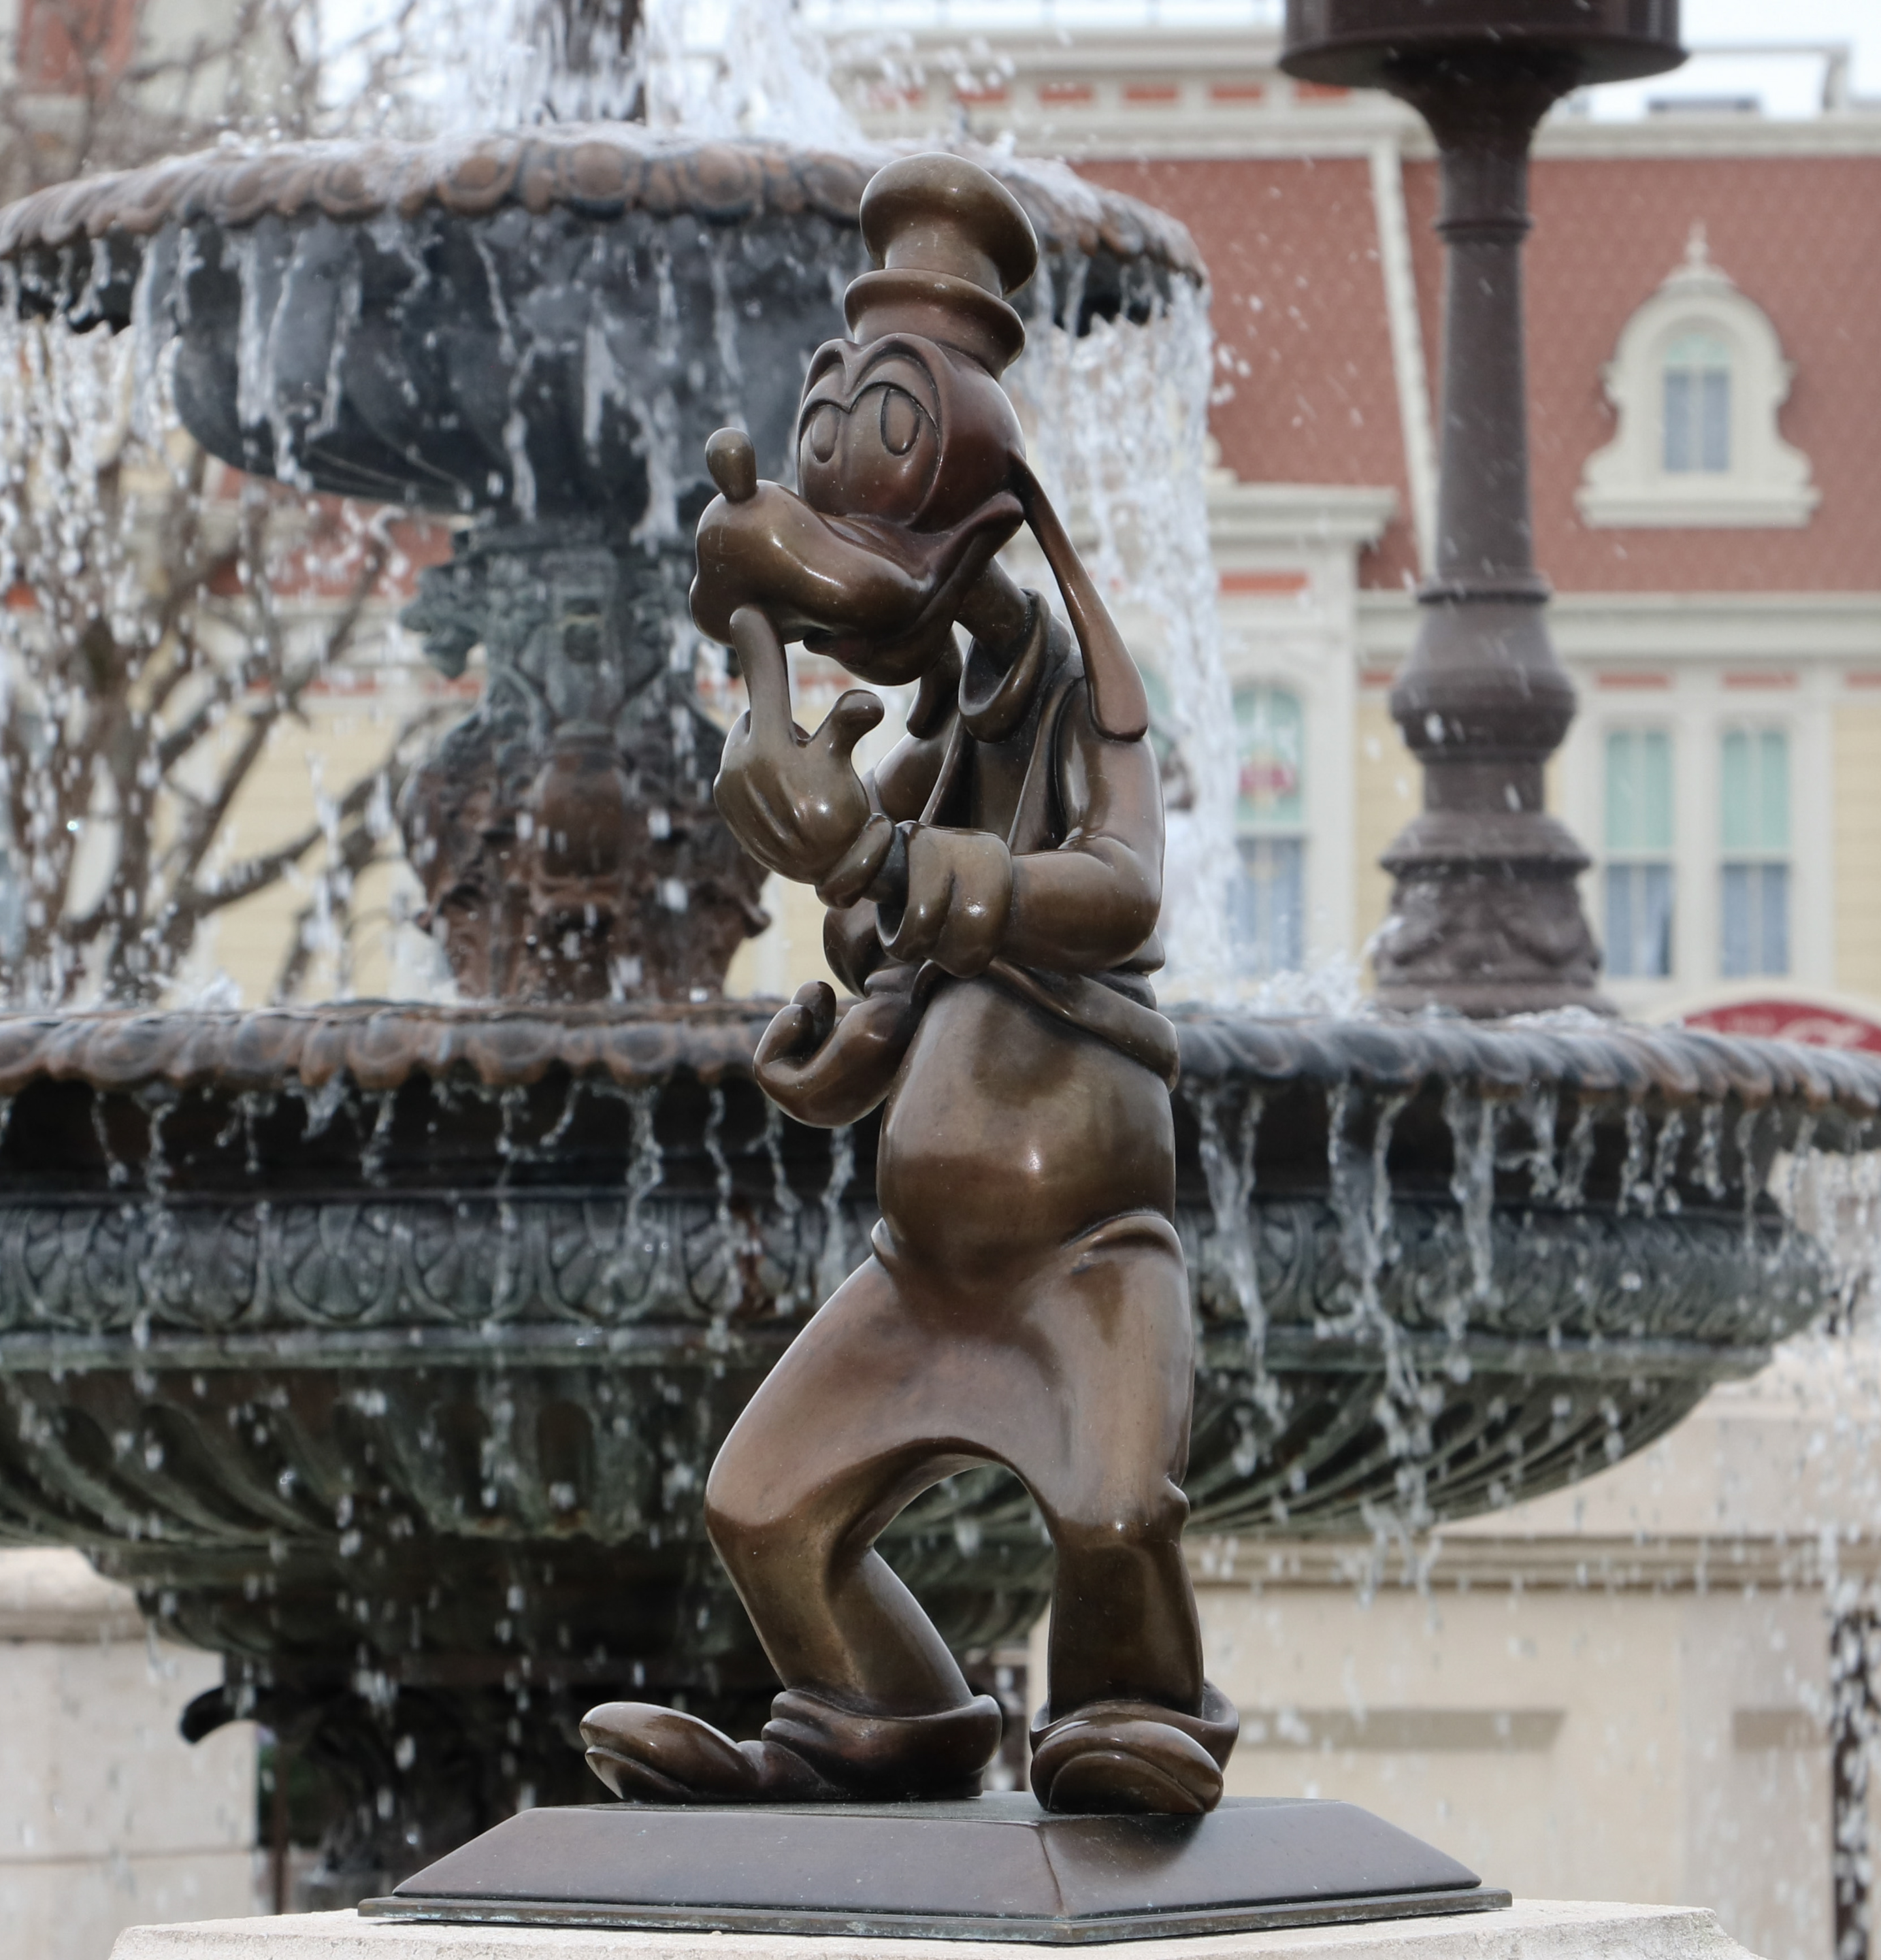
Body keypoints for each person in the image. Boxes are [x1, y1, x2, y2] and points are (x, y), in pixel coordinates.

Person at [580, 154, 1236, 1817]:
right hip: (919, 1270)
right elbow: (910, 966)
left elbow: (1121, 889)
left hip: (1087, 1258)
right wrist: (843, 1047)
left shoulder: (1081, 694)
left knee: (1113, 1513)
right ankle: (880, 1720)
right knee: (758, 1505)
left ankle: (1133, 1711)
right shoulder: (948, 741)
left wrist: (890, 862)